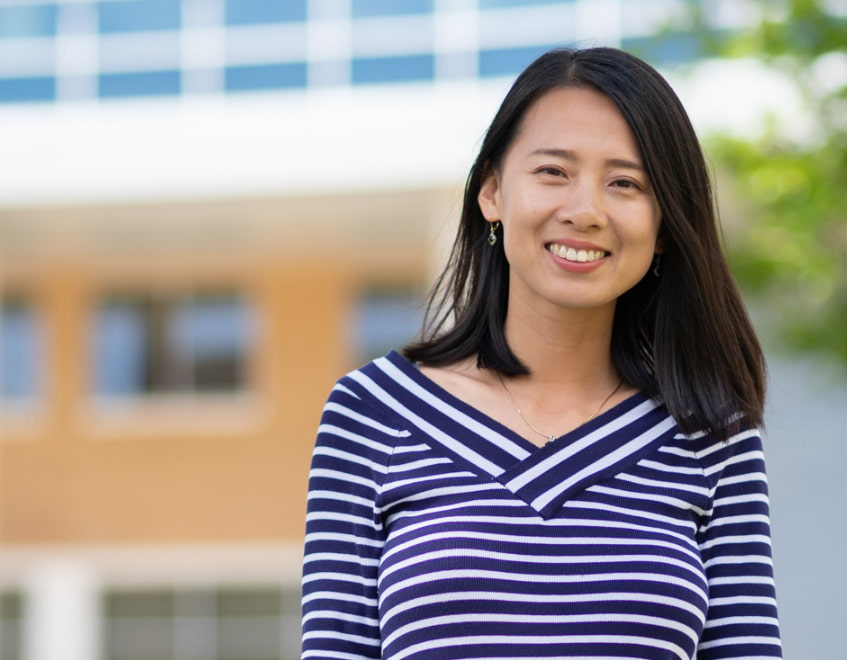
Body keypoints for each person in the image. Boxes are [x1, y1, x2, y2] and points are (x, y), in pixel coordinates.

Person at [301, 47, 779, 660]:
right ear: (493, 192)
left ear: (663, 227)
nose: (584, 210)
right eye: (553, 171)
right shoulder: (371, 413)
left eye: (625, 183)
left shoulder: (712, 427)